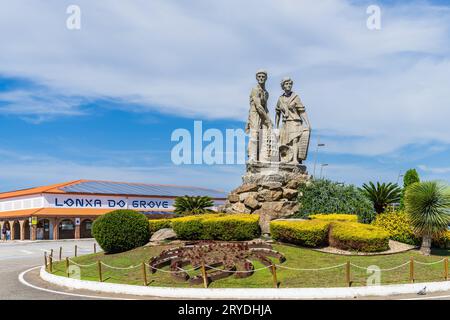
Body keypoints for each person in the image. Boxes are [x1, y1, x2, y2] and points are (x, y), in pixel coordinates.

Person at [275, 77, 311, 164]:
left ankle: (295, 159)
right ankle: (286, 159)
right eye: (286, 84)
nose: (288, 85)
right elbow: (277, 113)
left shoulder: (295, 97)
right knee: (284, 142)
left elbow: (302, 111)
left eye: (290, 84)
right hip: (285, 123)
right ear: (283, 86)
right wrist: (276, 127)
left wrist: (308, 123)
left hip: (295, 122)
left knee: (295, 140)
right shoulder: (280, 99)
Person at [245, 69, 272, 163]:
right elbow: (259, 106)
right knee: (254, 134)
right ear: (256, 78)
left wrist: (269, 119)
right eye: (259, 76)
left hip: (262, 114)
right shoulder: (255, 90)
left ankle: (263, 158)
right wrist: (268, 119)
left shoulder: (266, 93)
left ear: (266, 78)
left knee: (264, 134)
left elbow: (265, 107)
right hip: (255, 113)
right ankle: (252, 157)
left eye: (263, 76)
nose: (261, 78)